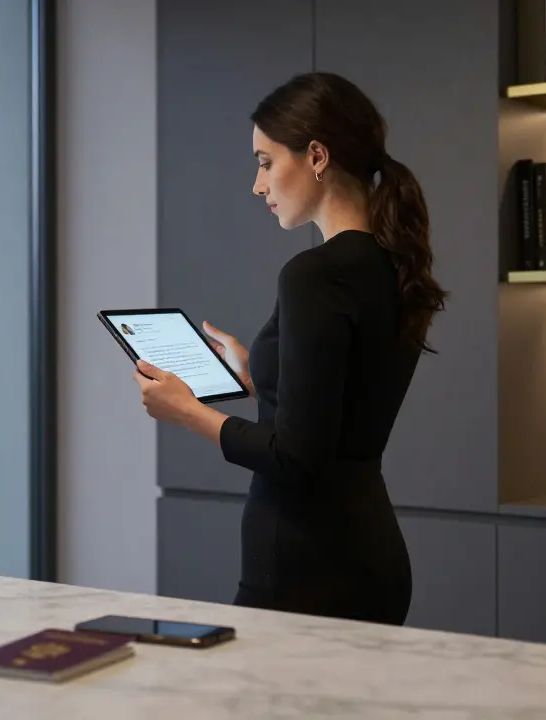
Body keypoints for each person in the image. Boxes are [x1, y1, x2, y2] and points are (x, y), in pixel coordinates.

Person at [132, 71, 447, 626]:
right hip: (370, 557)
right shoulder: (390, 265)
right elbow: (344, 408)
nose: (258, 185)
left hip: (307, 567)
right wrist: (262, 381)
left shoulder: (314, 275)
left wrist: (187, 411)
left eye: (264, 161)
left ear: (317, 156)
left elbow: (296, 458)